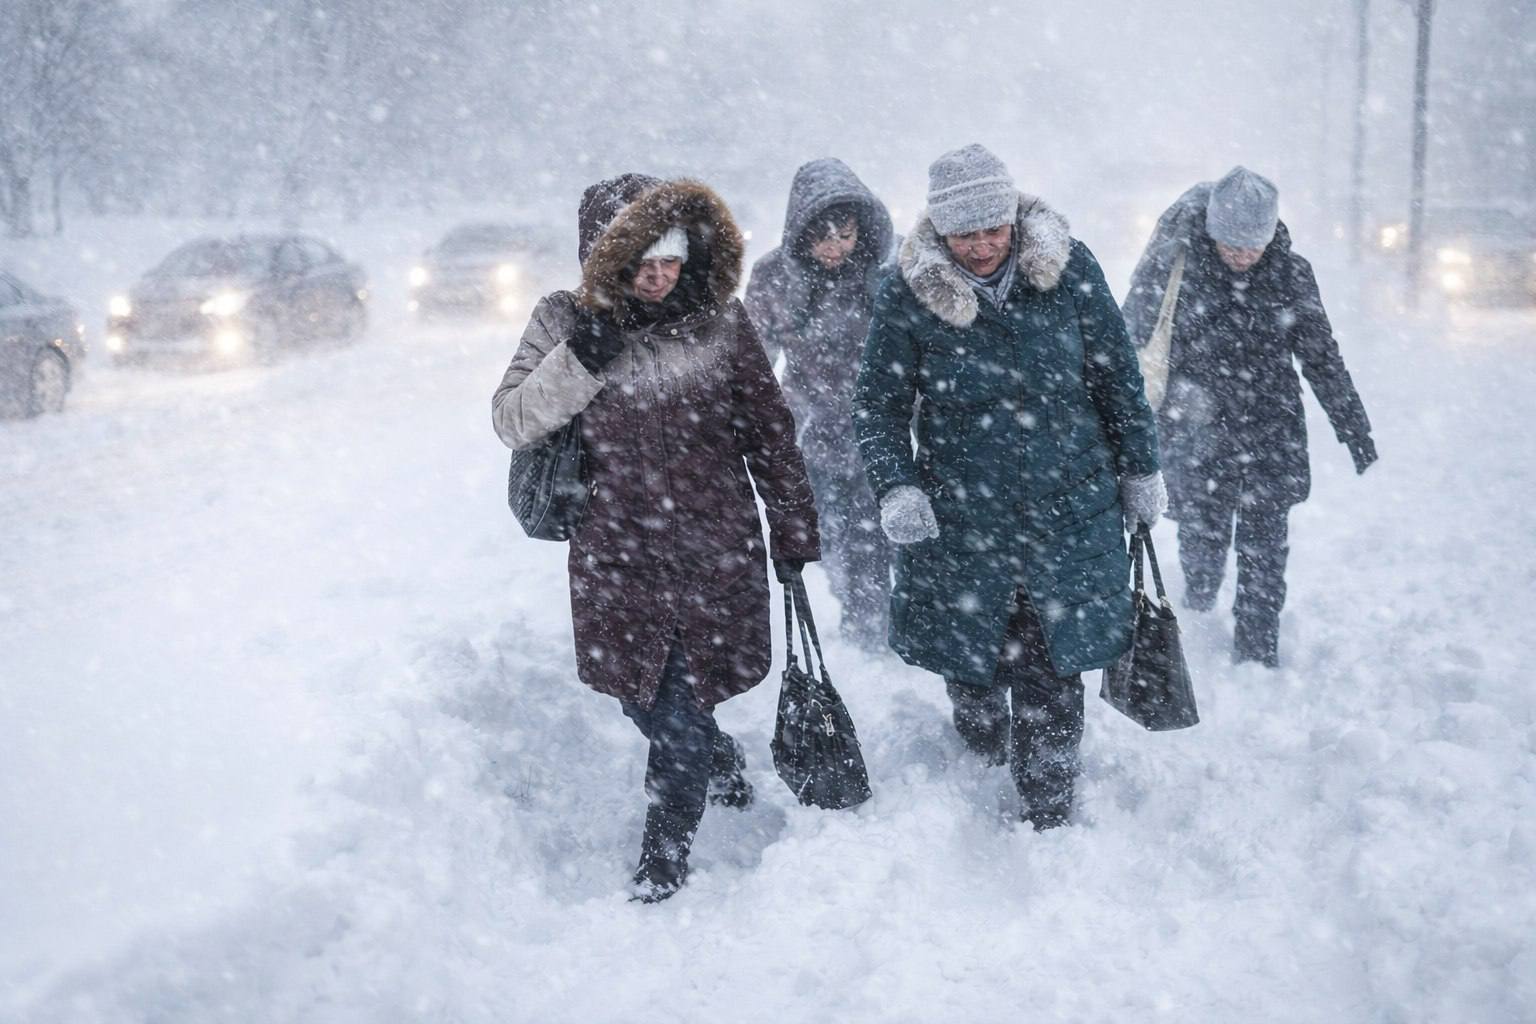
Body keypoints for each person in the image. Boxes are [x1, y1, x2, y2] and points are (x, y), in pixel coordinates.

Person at [491, 175, 820, 902]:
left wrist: (793, 528)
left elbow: (770, 433)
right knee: (642, 697)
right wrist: (584, 356)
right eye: (640, 261)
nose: (658, 275)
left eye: (670, 259)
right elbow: (512, 420)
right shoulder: (562, 319)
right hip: (617, 557)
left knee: (681, 712)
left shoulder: (721, 322)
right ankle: (714, 757)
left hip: (715, 552)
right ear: (602, 257)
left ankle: (663, 859)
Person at [852, 144, 1164, 830]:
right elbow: (877, 405)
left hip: (1068, 504)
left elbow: (1117, 376)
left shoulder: (1071, 269)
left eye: (994, 228)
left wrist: (1141, 467)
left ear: (1013, 219)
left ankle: (1049, 808)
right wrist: (897, 486)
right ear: (941, 231)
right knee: (976, 663)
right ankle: (982, 734)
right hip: (966, 516)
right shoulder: (908, 291)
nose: (983, 245)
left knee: (1053, 666)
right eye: (966, 234)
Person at [1122, 166, 1376, 668]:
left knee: (1265, 548)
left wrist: (1353, 426)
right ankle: (1199, 602)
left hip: (1271, 432)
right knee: (1202, 533)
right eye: (1230, 243)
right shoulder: (1176, 267)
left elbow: (1321, 356)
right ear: (1212, 230)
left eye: (1251, 245)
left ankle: (1257, 650)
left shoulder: (1291, 275)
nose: (1241, 254)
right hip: (1196, 429)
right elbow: (1128, 340)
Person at [746, 158, 898, 650]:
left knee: (876, 538)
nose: (835, 248)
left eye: (845, 236)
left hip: (880, 426)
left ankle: (874, 631)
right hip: (811, 430)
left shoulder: (886, 273)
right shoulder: (774, 275)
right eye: (823, 238)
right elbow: (754, 357)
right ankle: (855, 610)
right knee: (828, 536)